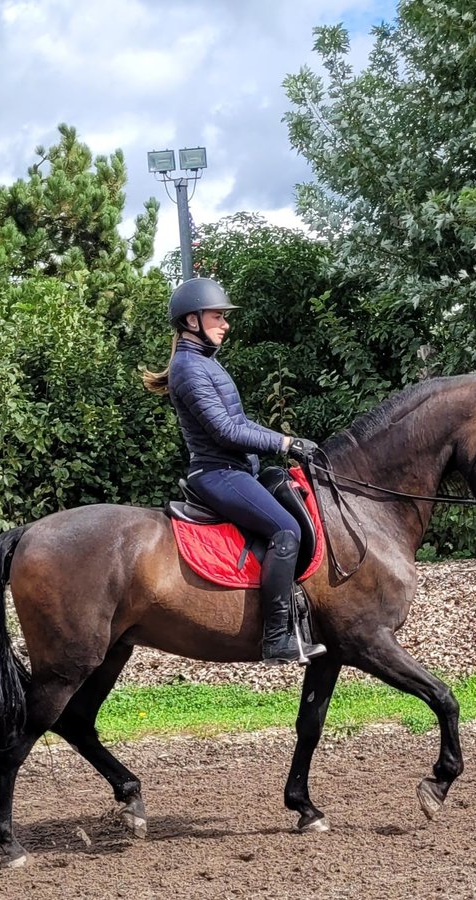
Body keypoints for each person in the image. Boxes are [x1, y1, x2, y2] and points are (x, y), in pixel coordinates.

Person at [143, 277, 327, 664]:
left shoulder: (205, 363)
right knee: (285, 529)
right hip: (217, 473)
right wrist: (286, 444)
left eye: (225, 318)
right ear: (192, 320)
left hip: (237, 469)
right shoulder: (190, 369)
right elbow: (226, 431)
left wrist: (286, 443)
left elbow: (242, 421)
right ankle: (277, 637)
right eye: (218, 317)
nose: (225, 324)